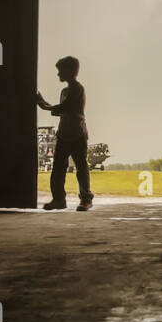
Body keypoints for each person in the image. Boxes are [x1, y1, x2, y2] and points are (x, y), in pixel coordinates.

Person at [37, 56, 93, 211]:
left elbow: (66, 107)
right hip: (63, 134)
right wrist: (45, 105)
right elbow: (61, 110)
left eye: (60, 71)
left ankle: (86, 199)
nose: (58, 74)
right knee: (58, 169)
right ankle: (59, 199)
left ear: (70, 71)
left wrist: (43, 105)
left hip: (77, 134)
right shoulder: (65, 91)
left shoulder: (77, 88)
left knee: (81, 168)